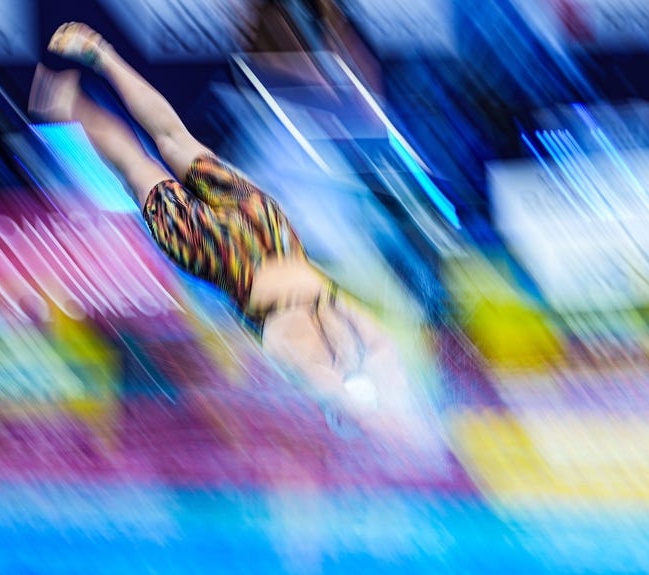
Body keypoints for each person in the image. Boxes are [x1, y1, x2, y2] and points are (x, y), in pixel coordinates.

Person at [29, 22, 435, 440]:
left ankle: (93, 72)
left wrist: (395, 413)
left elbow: (363, 380)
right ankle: (80, 93)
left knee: (164, 145)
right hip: (243, 245)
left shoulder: (323, 354)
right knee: (145, 159)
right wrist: (399, 419)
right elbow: (369, 374)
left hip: (250, 238)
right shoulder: (334, 351)